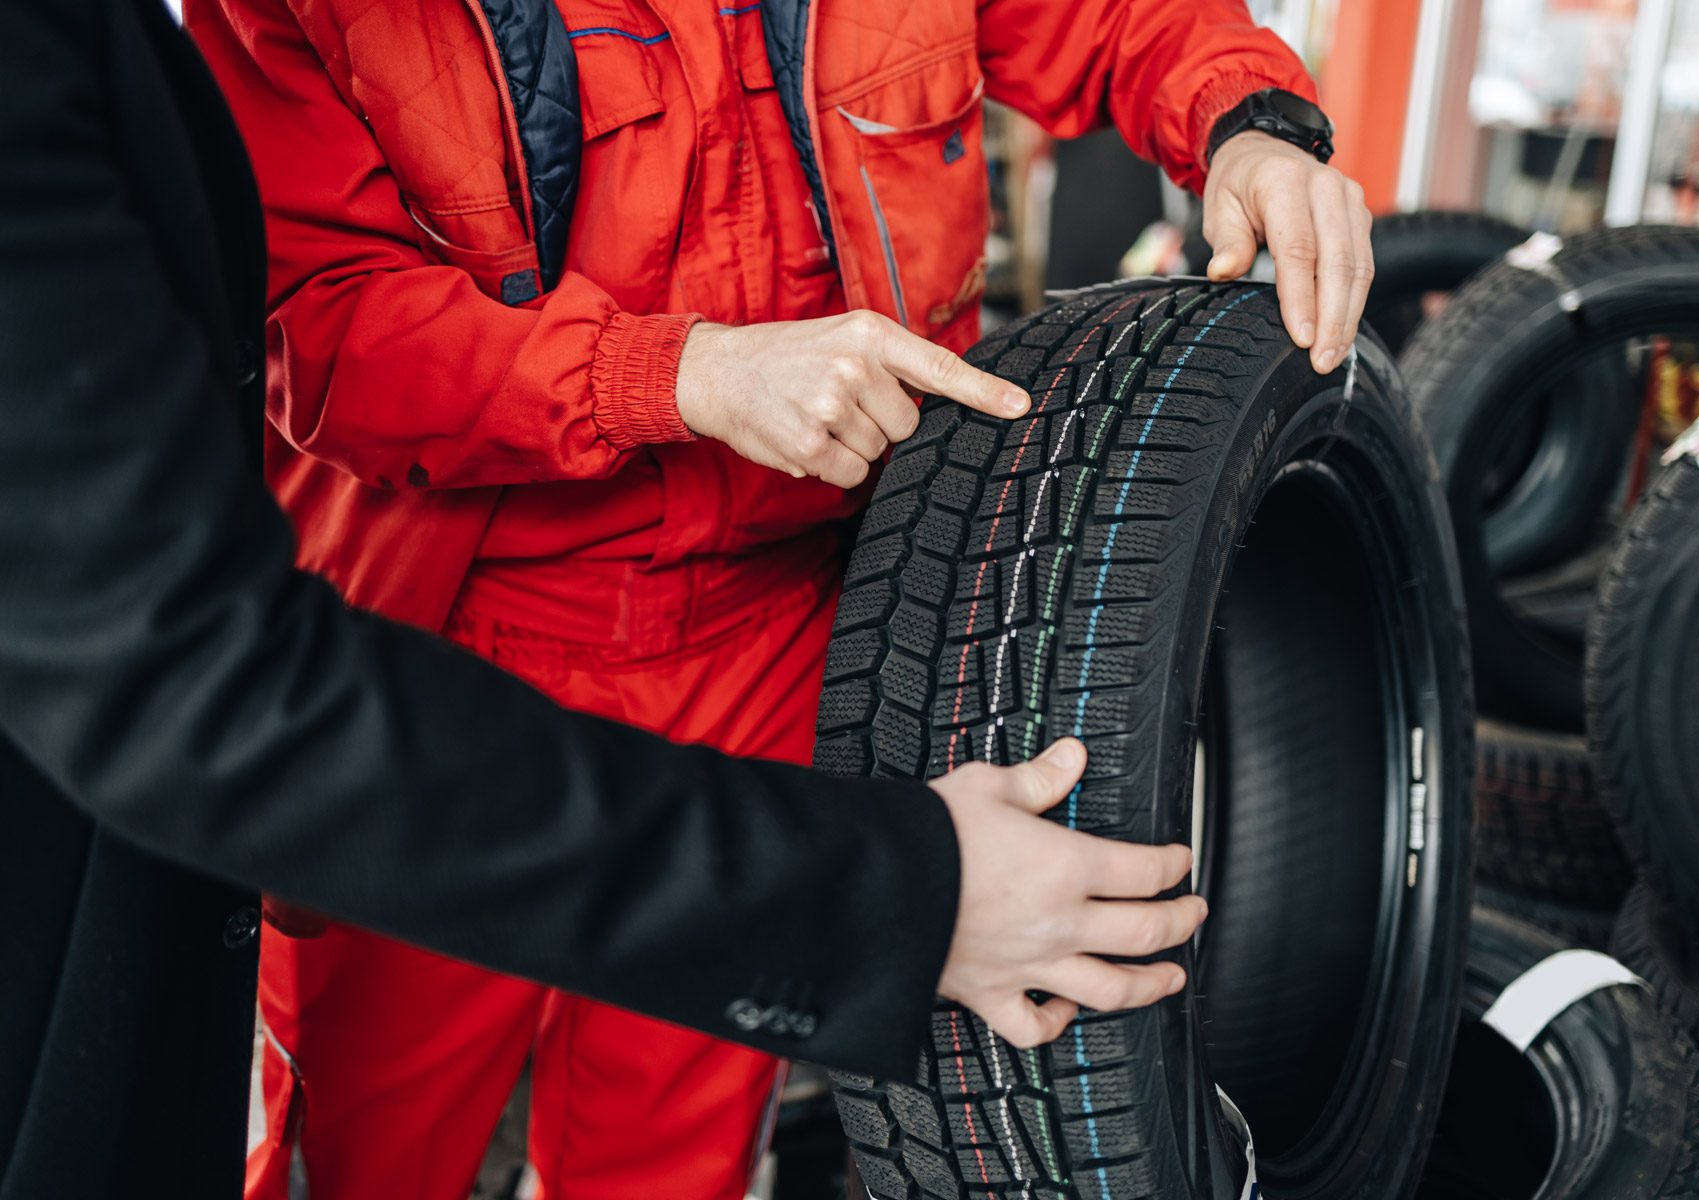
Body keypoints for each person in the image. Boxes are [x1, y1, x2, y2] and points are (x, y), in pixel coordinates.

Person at [0, 1, 1212, 1196]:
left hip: (774, 633)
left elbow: (1105, 19)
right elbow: (322, 332)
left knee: (667, 1163)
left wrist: (1244, 115)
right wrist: (678, 373)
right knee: (368, 1153)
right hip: (439, 668)